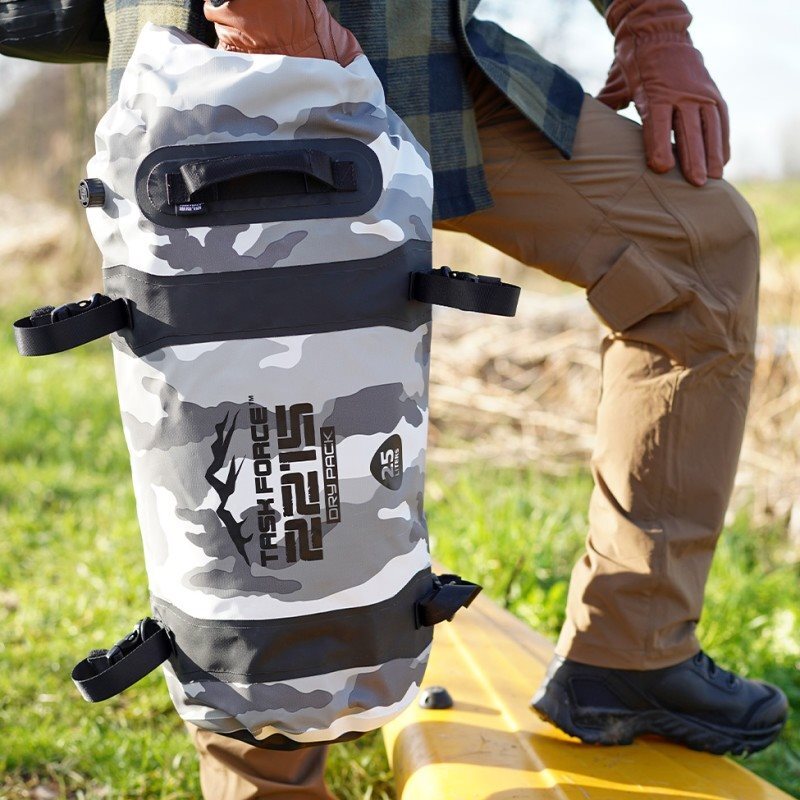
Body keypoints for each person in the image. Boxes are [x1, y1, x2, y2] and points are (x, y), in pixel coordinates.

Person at [102, 0, 789, 795]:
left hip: (428, 56)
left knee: (695, 246)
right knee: (267, 395)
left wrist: (651, 25)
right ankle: (268, 770)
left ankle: (632, 650)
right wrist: (269, 18)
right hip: (239, 55)